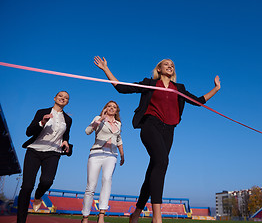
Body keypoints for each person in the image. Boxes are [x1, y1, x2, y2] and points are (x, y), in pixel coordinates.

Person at [94, 56, 220, 223]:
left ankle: (136, 214)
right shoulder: (150, 83)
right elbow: (122, 88)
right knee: (162, 162)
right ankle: (157, 217)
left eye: (172, 65)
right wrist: (105, 69)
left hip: (169, 130)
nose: (170, 66)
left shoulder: (179, 88)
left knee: (154, 170)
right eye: (166, 64)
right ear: (159, 69)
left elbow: (198, 101)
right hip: (150, 125)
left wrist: (216, 88)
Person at [17, 91, 72, 223]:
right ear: (54, 98)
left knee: (47, 181)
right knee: (27, 187)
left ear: (67, 102)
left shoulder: (68, 119)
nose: (63, 98)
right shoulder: (42, 112)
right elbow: (28, 132)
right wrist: (42, 122)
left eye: (66, 98)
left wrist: (66, 142)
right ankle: (21, 220)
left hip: (53, 152)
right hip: (34, 150)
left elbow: (66, 134)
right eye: (60, 96)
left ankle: (38, 195)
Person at [81, 101, 125, 223]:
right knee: (91, 186)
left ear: (116, 111)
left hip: (111, 155)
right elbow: (88, 131)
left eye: (114, 107)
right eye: (109, 106)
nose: (111, 108)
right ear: (105, 108)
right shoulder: (98, 119)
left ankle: (101, 214)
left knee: (107, 179)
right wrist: (100, 118)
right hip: (96, 153)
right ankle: (85, 216)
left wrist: (122, 154)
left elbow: (119, 139)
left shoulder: (119, 124)